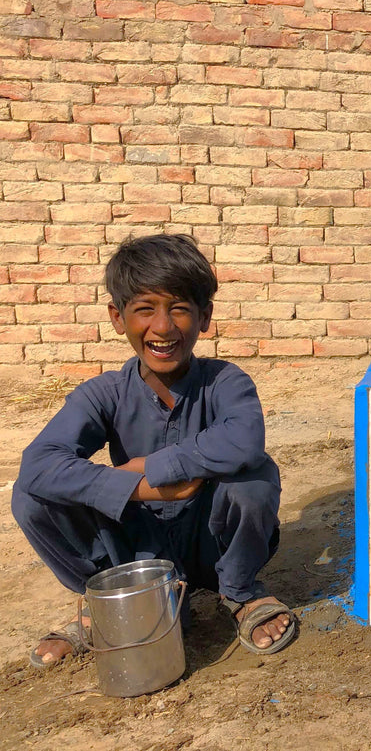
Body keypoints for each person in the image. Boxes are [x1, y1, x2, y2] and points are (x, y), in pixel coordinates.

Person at [13, 234, 297, 667]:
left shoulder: (225, 382)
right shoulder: (101, 394)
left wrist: (158, 465)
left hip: (212, 541)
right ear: (117, 317)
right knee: (31, 497)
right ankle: (106, 600)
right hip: (137, 550)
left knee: (255, 476)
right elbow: (37, 466)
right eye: (145, 309)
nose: (163, 327)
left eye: (179, 308)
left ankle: (240, 591)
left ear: (205, 317)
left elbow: (244, 441)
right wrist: (140, 488)